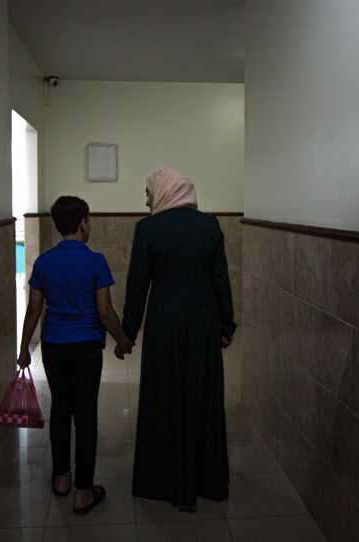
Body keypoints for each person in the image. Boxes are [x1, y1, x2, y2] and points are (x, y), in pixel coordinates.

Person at [119, 166, 236, 510]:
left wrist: (127, 333)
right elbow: (221, 281)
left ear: (163, 191)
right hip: (204, 318)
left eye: (149, 193)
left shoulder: (148, 229)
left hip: (164, 320)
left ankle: (163, 481)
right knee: (202, 393)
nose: (147, 199)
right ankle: (206, 480)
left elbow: (137, 285)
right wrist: (227, 326)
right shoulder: (209, 225)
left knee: (164, 393)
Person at [17, 195, 134, 516]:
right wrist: (123, 341)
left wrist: (23, 349)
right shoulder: (96, 261)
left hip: (53, 347)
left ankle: (61, 478)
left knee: (61, 410)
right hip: (86, 349)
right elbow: (106, 312)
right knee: (85, 418)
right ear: (84, 222)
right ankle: (84, 492)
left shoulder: (44, 262)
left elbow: (33, 309)